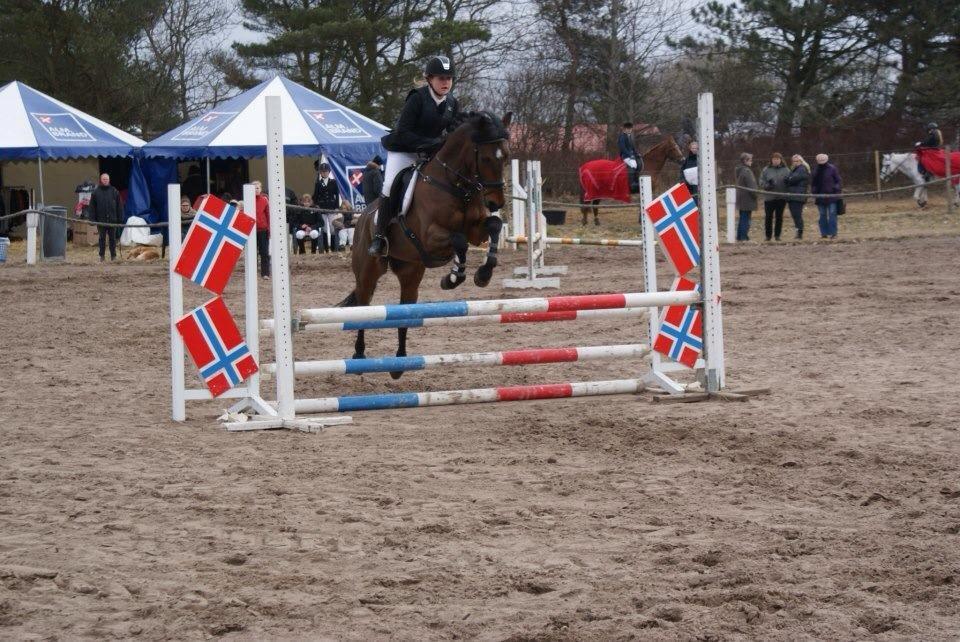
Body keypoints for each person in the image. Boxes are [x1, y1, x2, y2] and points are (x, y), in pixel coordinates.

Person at [369, 55, 461, 256]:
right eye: (441, 78)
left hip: (429, 154)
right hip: (404, 150)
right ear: (429, 79)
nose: (445, 82)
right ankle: (379, 236)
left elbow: (454, 131)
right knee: (389, 185)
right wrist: (432, 144)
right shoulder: (417, 98)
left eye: (449, 78)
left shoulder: (453, 103)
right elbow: (404, 132)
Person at [88, 173, 123, 262]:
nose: (105, 180)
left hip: (112, 220)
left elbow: (119, 206)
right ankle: (102, 256)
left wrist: (120, 219)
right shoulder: (95, 192)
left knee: (112, 239)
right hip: (101, 221)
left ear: (109, 180)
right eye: (104, 179)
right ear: (101, 180)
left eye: (107, 179)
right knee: (102, 239)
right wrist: (92, 219)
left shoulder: (114, 191)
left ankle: (113, 256)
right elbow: (92, 207)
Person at [758, 152, 790, 241]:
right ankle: (768, 236)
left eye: (778, 159)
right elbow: (761, 181)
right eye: (774, 159)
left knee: (779, 217)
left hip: (781, 197)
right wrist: (768, 185)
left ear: (781, 160)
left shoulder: (786, 170)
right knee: (768, 217)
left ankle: (777, 235)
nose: (776, 161)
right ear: (771, 160)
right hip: (769, 197)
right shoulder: (766, 170)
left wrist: (788, 182)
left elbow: (790, 181)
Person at [312, 162, 342, 252]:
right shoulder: (318, 183)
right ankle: (326, 248)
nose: (324, 173)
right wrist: (316, 205)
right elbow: (315, 196)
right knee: (324, 228)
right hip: (322, 207)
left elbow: (336, 195)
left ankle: (333, 248)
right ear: (320, 173)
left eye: (326, 171)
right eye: (322, 171)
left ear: (329, 172)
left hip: (332, 207)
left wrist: (337, 207)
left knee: (332, 228)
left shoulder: (333, 182)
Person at [810, 153, 842, 239]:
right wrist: (814, 191)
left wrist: (836, 189)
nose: (821, 161)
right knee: (822, 214)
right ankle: (823, 233)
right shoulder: (816, 170)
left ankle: (833, 233)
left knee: (832, 214)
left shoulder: (832, 169)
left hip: (832, 196)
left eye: (823, 160)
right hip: (820, 197)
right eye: (820, 160)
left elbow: (838, 180)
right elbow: (813, 183)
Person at [784, 155, 810, 239]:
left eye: (797, 161)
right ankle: (798, 231)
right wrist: (788, 179)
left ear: (801, 161)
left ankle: (799, 233)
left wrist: (788, 179)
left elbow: (793, 179)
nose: (795, 162)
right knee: (795, 215)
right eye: (794, 161)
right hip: (793, 195)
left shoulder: (802, 169)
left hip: (798, 195)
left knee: (797, 214)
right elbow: (788, 179)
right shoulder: (794, 170)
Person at [734, 153, 757, 241]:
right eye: (750, 160)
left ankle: (740, 236)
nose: (751, 162)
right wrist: (755, 195)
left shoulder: (740, 170)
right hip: (747, 198)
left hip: (741, 198)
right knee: (746, 219)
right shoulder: (747, 171)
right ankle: (744, 237)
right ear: (745, 161)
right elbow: (751, 186)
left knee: (742, 217)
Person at [252, 180, 270, 278]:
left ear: (261, 189)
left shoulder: (264, 200)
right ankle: (253, 273)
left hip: (262, 229)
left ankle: (265, 273)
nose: (256, 190)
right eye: (254, 188)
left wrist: (269, 229)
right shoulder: (248, 200)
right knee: (252, 253)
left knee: (264, 252)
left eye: (257, 188)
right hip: (251, 230)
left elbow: (268, 215)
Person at [618, 122, 640, 193]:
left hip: (632, 155)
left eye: (630, 129)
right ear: (625, 129)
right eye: (628, 129)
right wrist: (629, 155)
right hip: (625, 156)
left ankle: (636, 180)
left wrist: (637, 153)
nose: (630, 130)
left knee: (638, 164)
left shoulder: (630, 136)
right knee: (633, 165)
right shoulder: (622, 136)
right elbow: (623, 148)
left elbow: (633, 147)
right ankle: (631, 183)